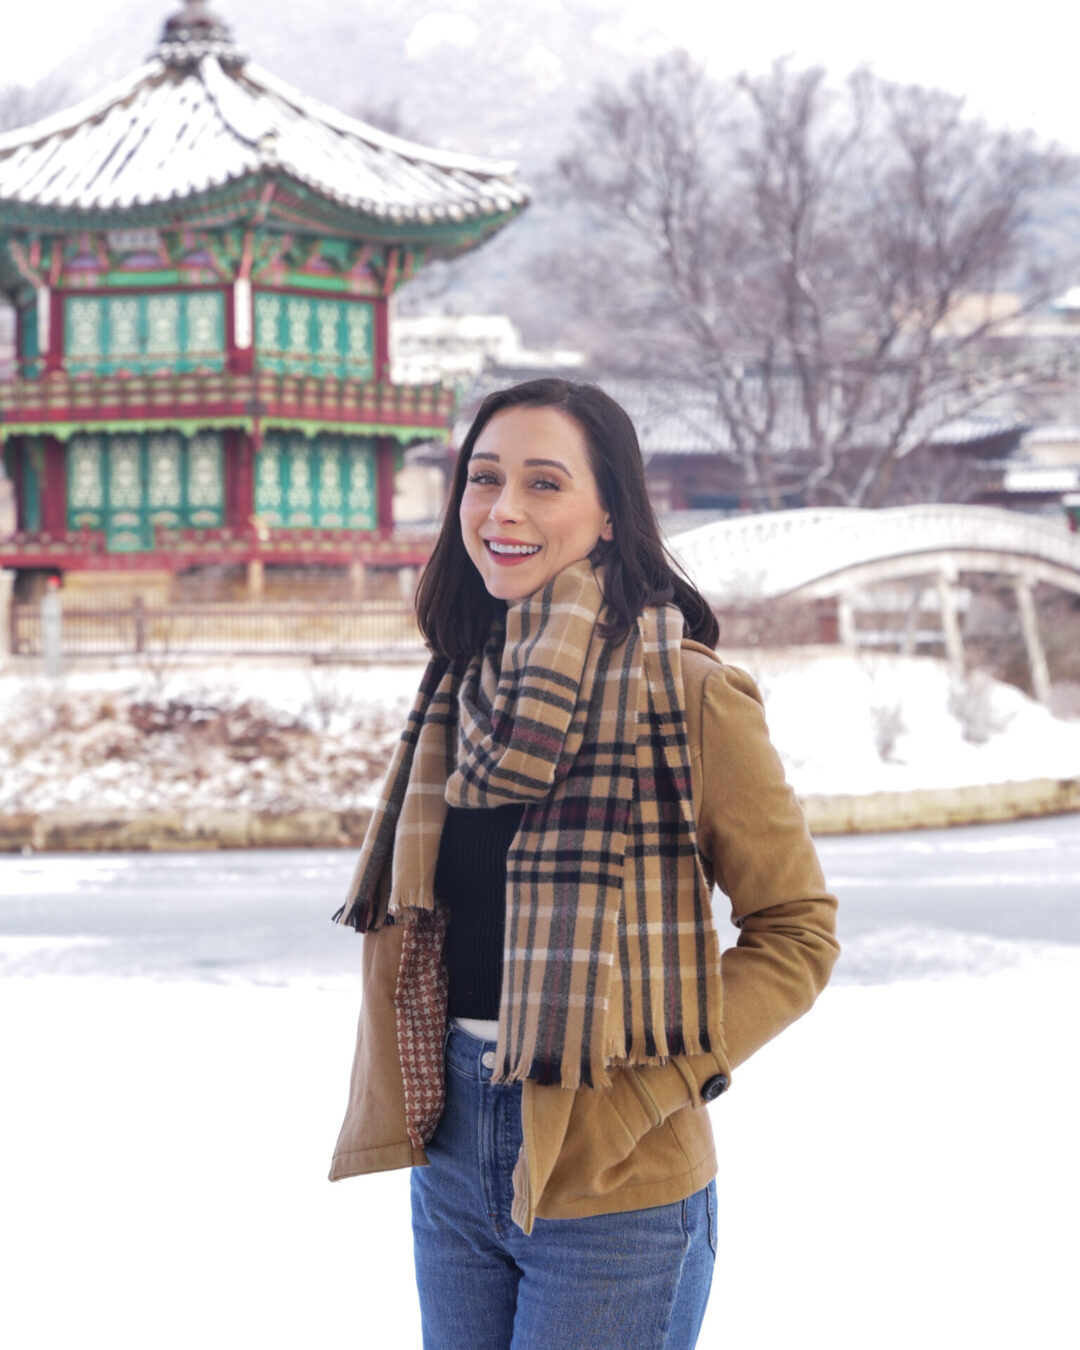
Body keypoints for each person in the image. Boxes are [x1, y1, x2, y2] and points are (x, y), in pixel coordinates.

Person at [329, 377, 839, 1350]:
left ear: (610, 515)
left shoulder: (692, 694)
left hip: (619, 1171)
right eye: (483, 479)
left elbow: (797, 930)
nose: (504, 509)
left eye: (543, 482)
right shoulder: (457, 690)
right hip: (452, 1151)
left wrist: (656, 1082)